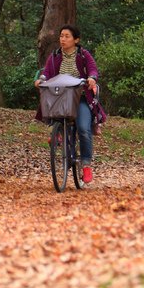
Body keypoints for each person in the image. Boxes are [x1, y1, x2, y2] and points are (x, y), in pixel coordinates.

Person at [34, 25, 106, 184]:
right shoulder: (55, 56)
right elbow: (47, 73)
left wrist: (92, 78)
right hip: (60, 97)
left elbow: (93, 69)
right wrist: (41, 80)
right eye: (61, 36)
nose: (63, 39)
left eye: (67, 36)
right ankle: (59, 135)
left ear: (76, 40)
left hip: (80, 97)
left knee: (83, 129)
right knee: (58, 119)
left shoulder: (83, 55)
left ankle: (86, 165)